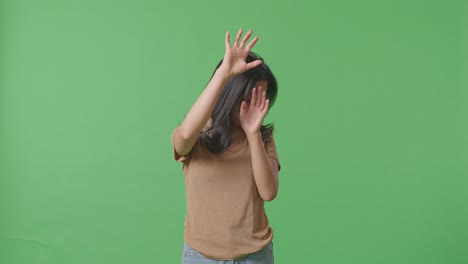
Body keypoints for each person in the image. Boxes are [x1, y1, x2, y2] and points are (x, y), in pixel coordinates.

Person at [171, 28, 281, 264]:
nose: (254, 105)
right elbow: (185, 135)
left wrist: (253, 134)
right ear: (232, 93)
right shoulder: (200, 133)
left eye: (261, 98)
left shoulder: (263, 138)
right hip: (200, 257)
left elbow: (269, 192)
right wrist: (224, 75)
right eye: (249, 96)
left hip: (255, 255)